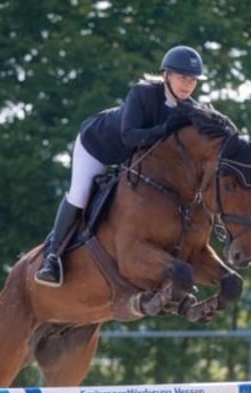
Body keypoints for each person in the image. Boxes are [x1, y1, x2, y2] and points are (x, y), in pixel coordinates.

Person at [34, 44, 207, 287]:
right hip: (98, 145)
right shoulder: (143, 93)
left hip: (128, 161)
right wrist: (167, 128)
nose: (188, 84)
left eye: (193, 80)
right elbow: (130, 136)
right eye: (182, 77)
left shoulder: (190, 109)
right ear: (166, 75)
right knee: (81, 194)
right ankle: (52, 258)